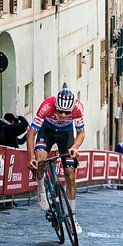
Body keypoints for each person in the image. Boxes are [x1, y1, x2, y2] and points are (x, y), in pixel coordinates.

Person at [27, 87, 85, 235]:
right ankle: (41, 189)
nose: (63, 115)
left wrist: (75, 147)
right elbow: (31, 133)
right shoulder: (46, 106)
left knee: (70, 174)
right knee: (40, 160)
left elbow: (81, 133)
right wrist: (31, 158)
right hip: (47, 131)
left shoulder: (77, 108)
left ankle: (72, 218)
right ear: (55, 107)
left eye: (67, 113)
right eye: (60, 112)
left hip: (66, 134)